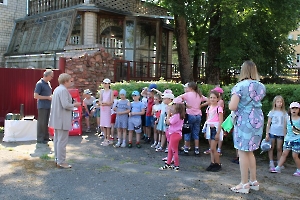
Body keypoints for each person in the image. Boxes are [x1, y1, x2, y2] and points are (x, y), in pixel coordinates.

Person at [229, 60, 266, 194]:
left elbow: (233, 106)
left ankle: (244, 184)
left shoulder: (239, 86)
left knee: (243, 151)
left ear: (243, 70)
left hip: (245, 120)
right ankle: (253, 181)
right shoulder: (261, 86)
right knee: (250, 151)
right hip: (257, 118)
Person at [48, 73, 81, 168]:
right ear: (65, 81)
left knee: (58, 140)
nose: (71, 82)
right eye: (70, 80)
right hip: (61, 119)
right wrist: (75, 105)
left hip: (57, 118)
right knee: (61, 141)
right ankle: (61, 162)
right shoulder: (63, 90)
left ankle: (57, 159)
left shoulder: (57, 89)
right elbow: (65, 104)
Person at [271, 102, 300, 176]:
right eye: (292, 108)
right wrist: (285, 137)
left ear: (299, 110)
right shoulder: (287, 118)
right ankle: (278, 168)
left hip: (297, 140)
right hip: (288, 139)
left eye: (296, 108)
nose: (294, 110)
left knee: (295, 155)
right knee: (284, 153)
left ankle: (299, 169)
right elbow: (285, 128)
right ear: (290, 109)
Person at [180, 82, 208, 155]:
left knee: (187, 132)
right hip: (198, 115)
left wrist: (185, 105)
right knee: (196, 133)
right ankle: (196, 150)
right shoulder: (199, 95)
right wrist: (201, 106)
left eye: (186, 87)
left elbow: (177, 99)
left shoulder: (187, 95)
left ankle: (186, 149)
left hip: (189, 115)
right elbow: (208, 100)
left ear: (190, 88)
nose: (185, 89)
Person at [159, 97, 185, 171]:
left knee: (174, 151)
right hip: (174, 133)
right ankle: (168, 164)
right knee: (170, 150)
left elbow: (168, 122)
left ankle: (176, 165)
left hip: (174, 134)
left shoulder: (177, 116)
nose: (172, 106)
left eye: (173, 105)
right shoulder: (179, 115)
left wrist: (168, 114)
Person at [265, 95, 287, 171]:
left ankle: (279, 162)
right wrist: (267, 134)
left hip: (280, 133)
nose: (279, 103)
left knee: (279, 148)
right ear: (275, 103)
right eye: (278, 102)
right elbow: (268, 123)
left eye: (281, 102)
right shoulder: (272, 112)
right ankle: (271, 162)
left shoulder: (284, 113)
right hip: (272, 132)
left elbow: (285, 125)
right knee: (271, 147)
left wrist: (285, 135)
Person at [203, 90, 223, 172]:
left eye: (214, 98)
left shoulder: (219, 108)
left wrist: (218, 133)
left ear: (218, 99)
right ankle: (212, 162)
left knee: (213, 148)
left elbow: (220, 121)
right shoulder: (208, 108)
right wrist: (204, 130)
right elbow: (207, 120)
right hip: (209, 128)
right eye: (211, 97)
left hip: (215, 128)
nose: (212, 99)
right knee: (211, 148)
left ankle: (218, 163)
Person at [34, 69, 53, 144]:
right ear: (47, 76)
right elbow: (35, 96)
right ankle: (40, 138)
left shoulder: (48, 83)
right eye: (51, 76)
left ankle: (46, 137)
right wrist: (47, 97)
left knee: (46, 122)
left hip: (48, 105)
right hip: (42, 106)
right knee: (41, 122)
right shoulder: (39, 84)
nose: (52, 78)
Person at [99, 78, 114, 146]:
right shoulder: (101, 91)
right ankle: (105, 138)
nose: (106, 85)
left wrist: (104, 103)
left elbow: (111, 102)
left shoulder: (111, 91)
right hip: (103, 109)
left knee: (108, 125)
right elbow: (100, 100)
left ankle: (108, 138)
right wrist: (101, 103)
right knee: (103, 124)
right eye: (104, 83)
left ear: (109, 84)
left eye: (107, 83)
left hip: (107, 109)